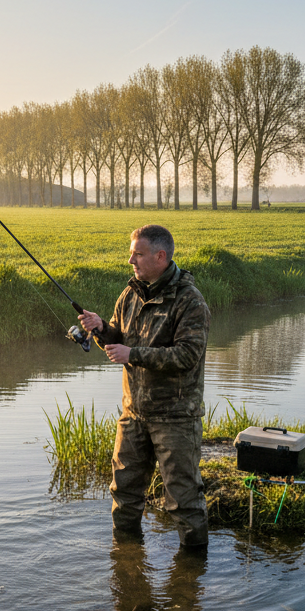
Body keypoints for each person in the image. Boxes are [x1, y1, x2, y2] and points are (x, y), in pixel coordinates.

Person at [79, 225, 210, 547]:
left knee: (183, 499)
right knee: (123, 493)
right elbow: (118, 341)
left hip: (176, 418)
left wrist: (132, 354)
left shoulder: (190, 301)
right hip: (133, 414)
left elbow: (188, 354)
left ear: (160, 256)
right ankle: (126, 563)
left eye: (137, 253)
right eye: (132, 252)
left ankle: (192, 575)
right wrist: (101, 330)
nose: (131, 260)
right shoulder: (130, 294)